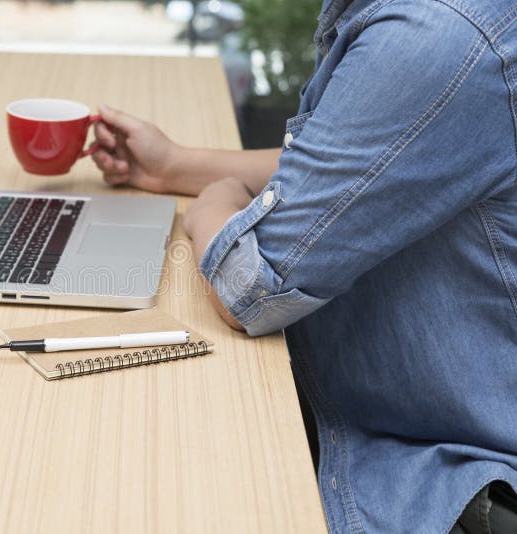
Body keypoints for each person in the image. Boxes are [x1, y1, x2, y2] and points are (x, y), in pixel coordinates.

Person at [90, 0, 517, 532]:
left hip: (435, 472)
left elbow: (248, 288)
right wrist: (174, 166)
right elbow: (354, 160)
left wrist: (211, 209)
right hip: (381, 404)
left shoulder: (438, 36)